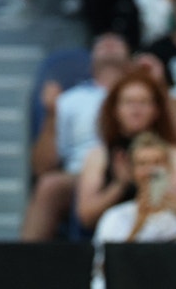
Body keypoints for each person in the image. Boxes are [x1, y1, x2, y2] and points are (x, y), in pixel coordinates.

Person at [22, 33, 132, 241]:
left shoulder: (145, 93)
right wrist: (52, 115)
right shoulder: (69, 100)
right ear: (90, 62)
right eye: (102, 44)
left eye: (117, 43)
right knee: (49, 185)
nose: (109, 44)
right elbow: (41, 167)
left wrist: (159, 83)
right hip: (79, 173)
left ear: (130, 57)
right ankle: (24, 267)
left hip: (136, 163)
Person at [75, 64, 176, 233]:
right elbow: (86, 216)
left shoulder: (175, 154)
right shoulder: (98, 155)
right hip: (115, 240)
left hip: (164, 237)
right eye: (128, 102)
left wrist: (152, 182)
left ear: (156, 110)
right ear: (115, 110)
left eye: (144, 102)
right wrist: (119, 185)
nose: (136, 110)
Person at [90, 132, 176, 289]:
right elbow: (103, 274)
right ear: (132, 171)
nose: (150, 171)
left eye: (157, 162)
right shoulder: (114, 218)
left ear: (169, 168)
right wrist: (138, 225)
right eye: (142, 164)